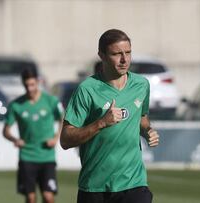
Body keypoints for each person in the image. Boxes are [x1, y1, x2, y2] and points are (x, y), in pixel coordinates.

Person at [60, 29, 160, 203]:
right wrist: (101, 123)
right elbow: (66, 139)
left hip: (134, 183)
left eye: (128, 53)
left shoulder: (141, 85)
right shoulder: (87, 89)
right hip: (95, 187)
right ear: (102, 55)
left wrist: (148, 130)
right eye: (116, 54)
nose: (124, 59)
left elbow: (141, 117)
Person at [3, 68, 63, 203]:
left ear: (38, 82)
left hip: (47, 156)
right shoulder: (16, 105)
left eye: (32, 85)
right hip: (27, 156)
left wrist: (55, 138)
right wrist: (15, 139)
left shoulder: (51, 101)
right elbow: (5, 131)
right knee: (30, 198)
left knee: (48, 196)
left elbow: (63, 119)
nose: (29, 88)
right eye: (26, 85)